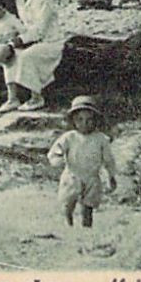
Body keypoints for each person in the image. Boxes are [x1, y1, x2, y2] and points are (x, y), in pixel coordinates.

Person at [0, 0, 66, 114]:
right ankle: (12, 98)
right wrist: (11, 37)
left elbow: (40, 30)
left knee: (26, 57)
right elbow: (24, 25)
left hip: (50, 42)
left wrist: (16, 41)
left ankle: (36, 97)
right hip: (31, 39)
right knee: (9, 55)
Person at [49, 95, 118, 228]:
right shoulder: (69, 137)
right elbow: (55, 152)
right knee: (68, 203)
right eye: (80, 120)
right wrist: (57, 160)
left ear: (96, 121)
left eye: (89, 120)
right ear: (73, 121)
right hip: (72, 175)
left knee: (88, 206)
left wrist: (111, 176)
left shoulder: (100, 139)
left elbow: (108, 159)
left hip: (92, 177)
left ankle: (86, 228)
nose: (84, 124)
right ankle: (67, 224)